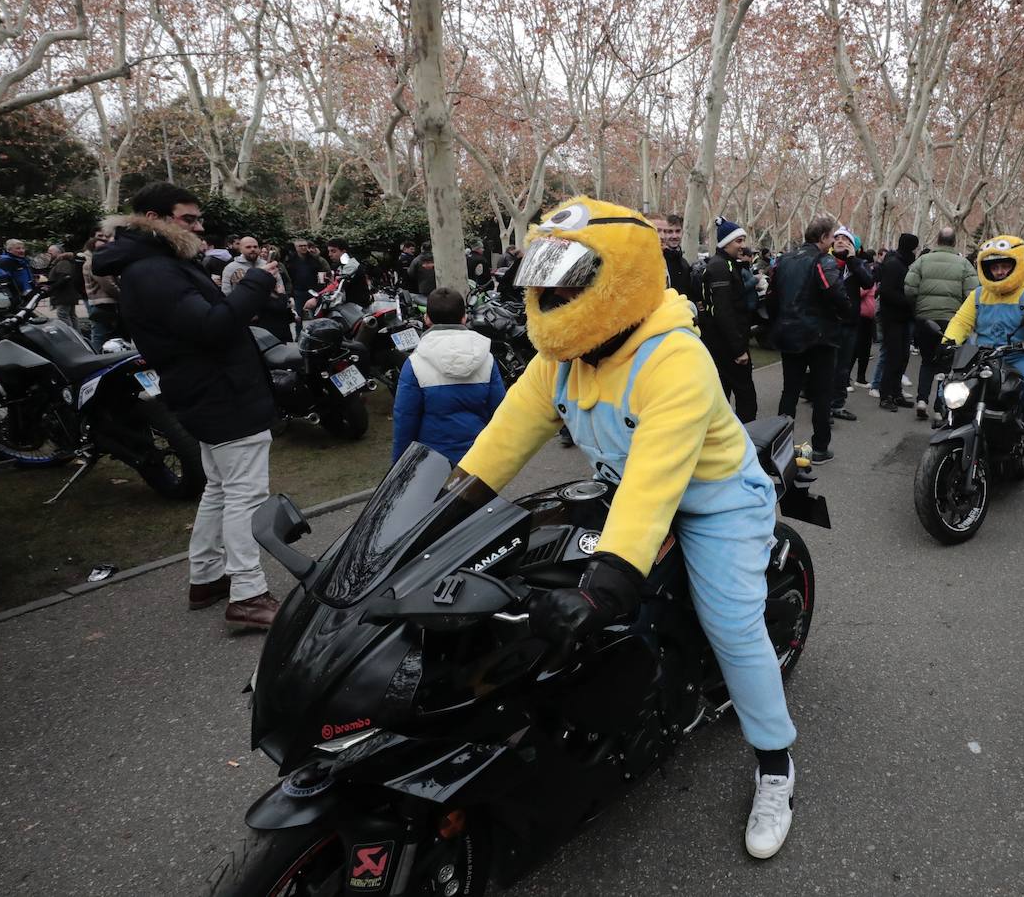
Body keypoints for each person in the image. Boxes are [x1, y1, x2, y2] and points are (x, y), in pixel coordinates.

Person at [456, 197, 801, 859]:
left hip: (714, 501)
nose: (551, 297)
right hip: (626, 493)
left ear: (620, 277)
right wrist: (428, 517)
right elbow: (498, 445)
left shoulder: (675, 356)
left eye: (568, 282)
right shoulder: (563, 356)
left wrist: (606, 583)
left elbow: (657, 482)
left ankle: (776, 762)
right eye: (542, 282)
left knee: (733, 623)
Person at [93, 182, 281, 630]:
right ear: (155, 219)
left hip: (211, 391)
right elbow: (213, 326)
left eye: (199, 218)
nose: (199, 227)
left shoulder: (155, 265)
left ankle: (208, 577)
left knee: (219, 487)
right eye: (188, 219)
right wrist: (257, 281)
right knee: (244, 493)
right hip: (222, 394)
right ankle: (248, 593)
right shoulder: (154, 271)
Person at [941, 235, 1024, 458]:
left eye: (1005, 265)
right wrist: (948, 341)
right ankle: (954, 424)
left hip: (1023, 355)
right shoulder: (978, 294)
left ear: (1018, 264)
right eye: (995, 267)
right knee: (948, 389)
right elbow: (961, 321)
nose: (1000, 271)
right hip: (983, 356)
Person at [391, 287, 505, 465]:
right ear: (464, 317)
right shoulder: (487, 359)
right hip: (479, 458)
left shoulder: (415, 364)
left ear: (427, 318)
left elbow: (405, 421)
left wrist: (399, 466)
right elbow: (499, 414)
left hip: (431, 463)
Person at [772, 216, 850, 464]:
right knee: (822, 393)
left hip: (789, 333)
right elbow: (834, 291)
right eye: (831, 237)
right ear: (824, 238)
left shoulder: (784, 260)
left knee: (790, 393)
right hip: (819, 337)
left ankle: (780, 447)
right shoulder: (822, 260)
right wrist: (845, 311)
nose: (833, 241)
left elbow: (773, 294)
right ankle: (820, 447)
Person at [905, 226, 979, 419]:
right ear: (954, 242)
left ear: (937, 240)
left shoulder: (922, 261)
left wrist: (919, 307)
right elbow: (972, 294)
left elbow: (909, 289)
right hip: (952, 321)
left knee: (927, 361)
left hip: (925, 318)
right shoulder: (964, 264)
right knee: (946, 366)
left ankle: (922, 400)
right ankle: (939, 407)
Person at [701, 217, 758, 422]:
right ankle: (746, 442)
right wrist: (738, 349)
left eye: (743, 240)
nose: (742, 246)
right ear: (726, 243)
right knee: (745, 398)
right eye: (739, 241)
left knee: (727, 394)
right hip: (727, 346)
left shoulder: (728, 264)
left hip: (727, 343)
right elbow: (724, 311)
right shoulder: (720, 267)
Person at [828, 227, 872, 422]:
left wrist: (853, 260)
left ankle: (837, 404)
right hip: (828, 322)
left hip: (850, 323)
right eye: (836, 238)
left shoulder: (858, 264)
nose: (840, 241)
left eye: (845, 239)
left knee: (844, 367)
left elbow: (868, 283)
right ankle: (822, 404)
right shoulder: (826, 261)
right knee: (827, 365)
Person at [875, 232, 918, 412]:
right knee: (893, 358)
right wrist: (908, 301)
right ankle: (886, 395)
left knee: (902, 357)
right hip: (892, 318)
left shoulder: (903, 263)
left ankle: (896, 393)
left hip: (903, 317)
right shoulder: (894, 264)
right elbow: (886, 291)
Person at [83, 233, 122, 350]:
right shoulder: (95, 263)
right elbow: (108, 285)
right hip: (104, 304)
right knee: (101, 337)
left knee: (105, 336)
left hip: (103, 304)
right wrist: (123, 296)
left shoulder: (97, 261)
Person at [652, 214, 697, 310]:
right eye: (669, 231)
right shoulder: (657, 261)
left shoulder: (684, 263)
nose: (674, 236)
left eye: (677, 231)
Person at [285, 238, 328, 317]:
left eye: (305, 245)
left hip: (313, 292)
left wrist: (318, 292)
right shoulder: (290, 261)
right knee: (298, 316)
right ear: (296, 248)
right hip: (298, 292)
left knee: (316, 315)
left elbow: (321, 276)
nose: (303, 248)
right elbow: (288, 278)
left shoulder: (315, 259)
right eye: (300, 246)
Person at [44, 244, 81, 331]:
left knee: (63, 315)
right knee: (71, 315)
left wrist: (51, 287)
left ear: (58, 252)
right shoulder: (62, 262)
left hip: (64, 295)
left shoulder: (63, 262)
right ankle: (77, 335)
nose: (48, 253)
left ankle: (70, 335)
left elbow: (64, 278)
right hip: (68, 294)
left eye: (50, 251)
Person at [326, 238, 368, 305]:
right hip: (347, 304)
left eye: (333, 251)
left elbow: (338, 284)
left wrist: (317, 296)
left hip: (357, 307)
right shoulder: (339, 265)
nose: (330, 254)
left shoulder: (351, 264)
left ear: (343, 252)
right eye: (329, 251)